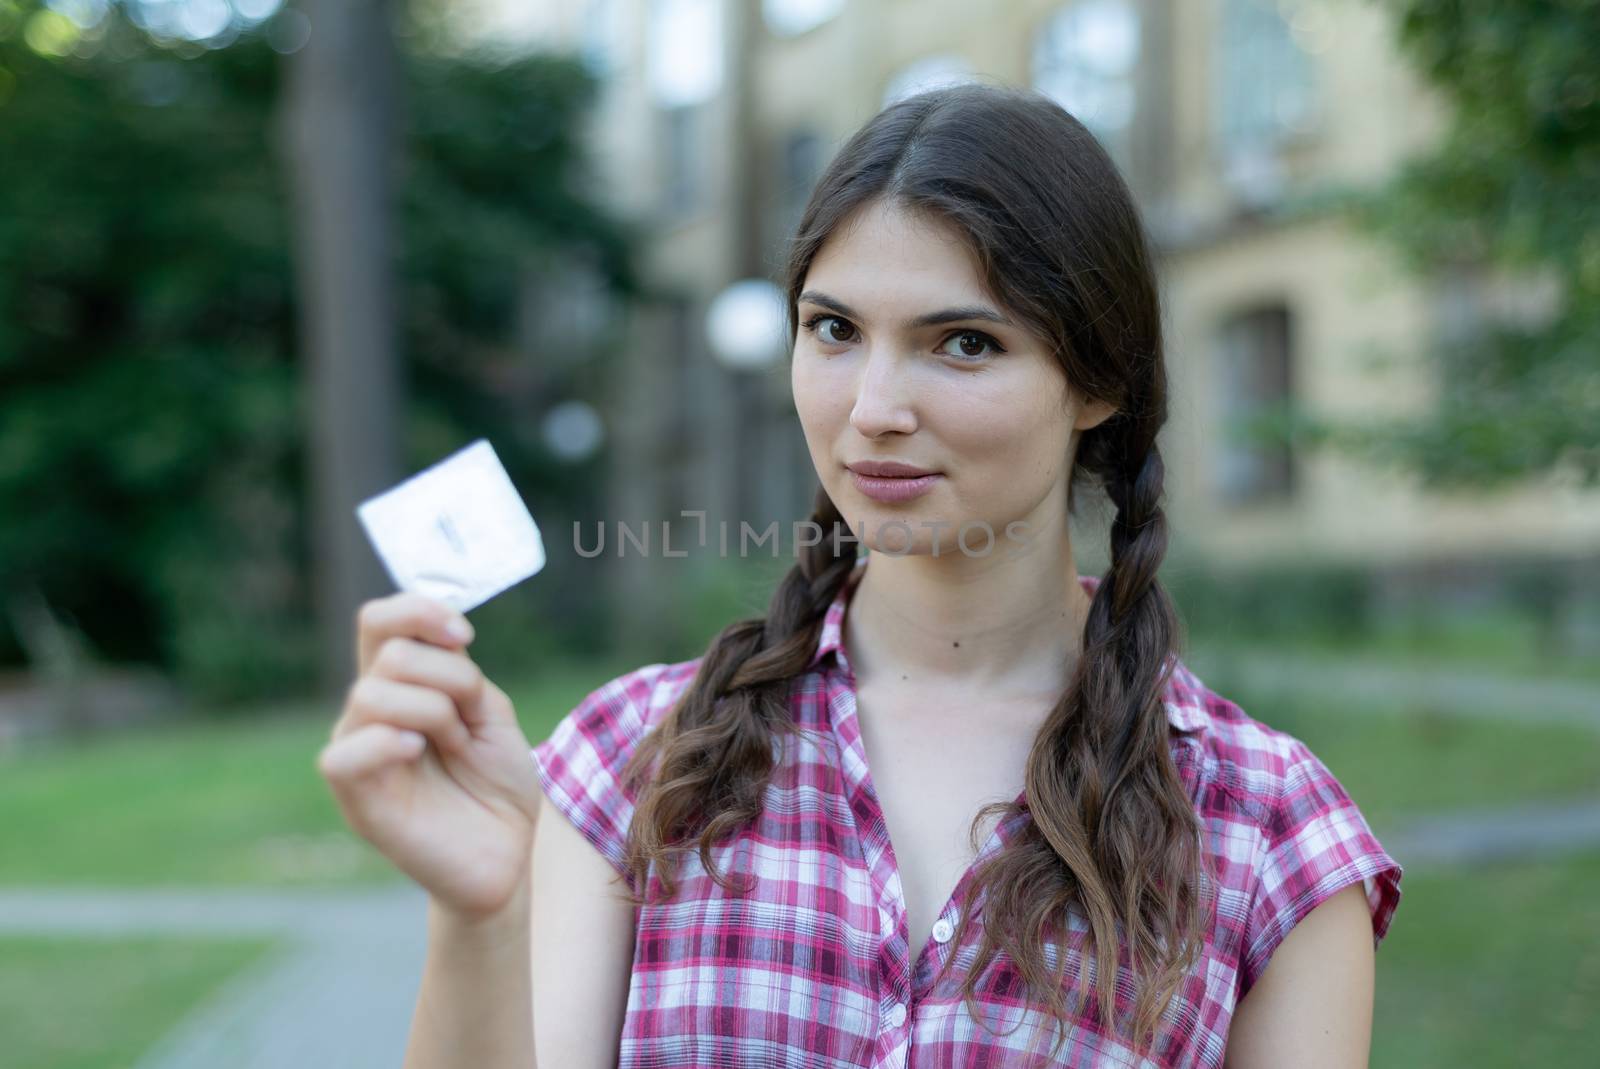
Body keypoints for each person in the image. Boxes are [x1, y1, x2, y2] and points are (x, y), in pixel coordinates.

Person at [320, 83, 1402, 1068]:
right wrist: (480, 917)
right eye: (833, 329)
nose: (874, 406)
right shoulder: (635, 762)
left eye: (963, 343)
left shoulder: (1267, 828)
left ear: (1100, 380)